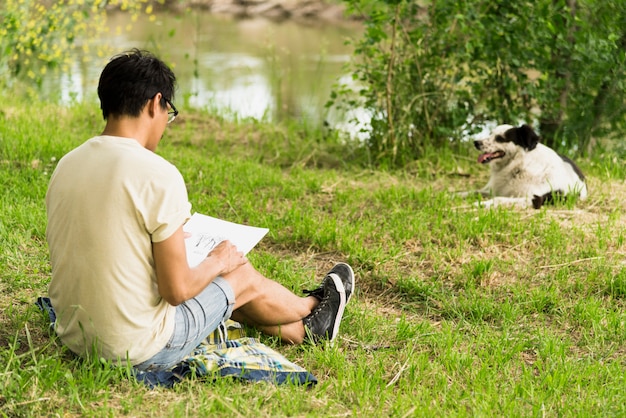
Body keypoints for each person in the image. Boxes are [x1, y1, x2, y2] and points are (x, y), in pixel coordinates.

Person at [45, 49, 355, 371]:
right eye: (170, 112)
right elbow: (177, 291)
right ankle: (313, 309)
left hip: (76, 336)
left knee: (213, 276)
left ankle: (304, 331)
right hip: (135, 349)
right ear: (156, 103)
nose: (167, 123)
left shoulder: (68, 163)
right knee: (237, 274)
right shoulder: (157, 173)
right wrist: (218, 260)